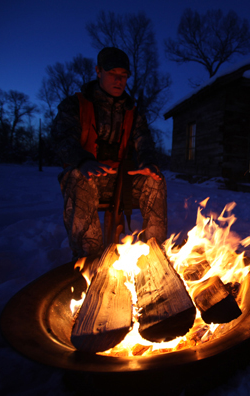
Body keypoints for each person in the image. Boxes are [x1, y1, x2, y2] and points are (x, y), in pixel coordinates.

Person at [51, 47, 167, 260]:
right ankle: (90, 261)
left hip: (121, 181)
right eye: (113, 73)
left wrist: (148, 163)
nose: (118, 80)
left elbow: (145, 142)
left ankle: (155, 257)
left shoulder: (132, 111)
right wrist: (84, 162)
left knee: (155, 180)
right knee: (78, 177)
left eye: (123, 76)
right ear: (98, 71)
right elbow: (62, 141)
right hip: (87, 178)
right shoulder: (75, 105)